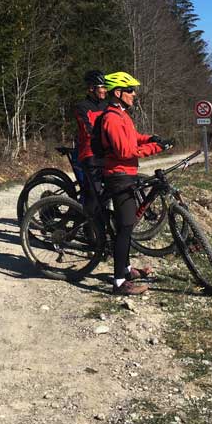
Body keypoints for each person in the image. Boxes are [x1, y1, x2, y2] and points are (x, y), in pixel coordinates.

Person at [99, 71, 171, 296]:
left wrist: (150, 138)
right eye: (130, 90)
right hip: (118, 176)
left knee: (127, 226)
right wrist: (156, 148)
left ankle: (126, 270)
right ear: (117, 93)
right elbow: (124, 151)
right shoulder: (111, 118)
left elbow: (133, 137)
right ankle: (119, 282)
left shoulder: (121, 115)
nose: (134, 94)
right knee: (125, 228)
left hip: (126, 174)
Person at [73, 70, 107, 205]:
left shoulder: (107, 105)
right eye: (102, 87)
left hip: (105, 152)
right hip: (89, 153)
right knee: (93, 195)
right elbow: (88, 131)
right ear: (91, 88)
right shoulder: (81, 107)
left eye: (105, 87)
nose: (105, 90)